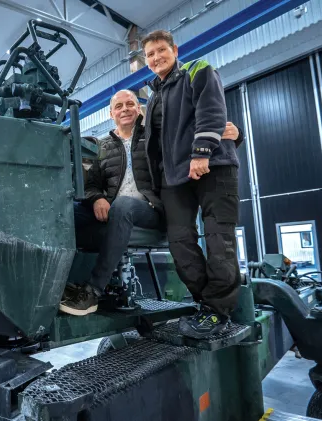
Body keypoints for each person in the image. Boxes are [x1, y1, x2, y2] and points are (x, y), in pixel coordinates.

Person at [59, 89, 241, 317]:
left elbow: (189, 139)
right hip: (115, 209)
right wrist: (97, 198)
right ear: (111, 113)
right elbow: (92, 184)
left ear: (138, 109)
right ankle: (57, 283)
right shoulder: (101, 146)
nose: (124, 109)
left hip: (150, 209)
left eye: (130, 104)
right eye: (119, 106)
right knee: (66, 211)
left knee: (124, 205)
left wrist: (234, 134)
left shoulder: (155, 138)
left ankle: (93, 291)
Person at [142, 29, 242, 339]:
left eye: (161, 50)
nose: (156, 57)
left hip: (212, 166)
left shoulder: (197, 69)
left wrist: (201, 153)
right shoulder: (154, 96)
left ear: (174, 49)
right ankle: (206, 304)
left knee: (217, 237)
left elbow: (211, 110)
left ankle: (218, 311)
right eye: (150, 54)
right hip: (175, 179)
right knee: (180, 242)